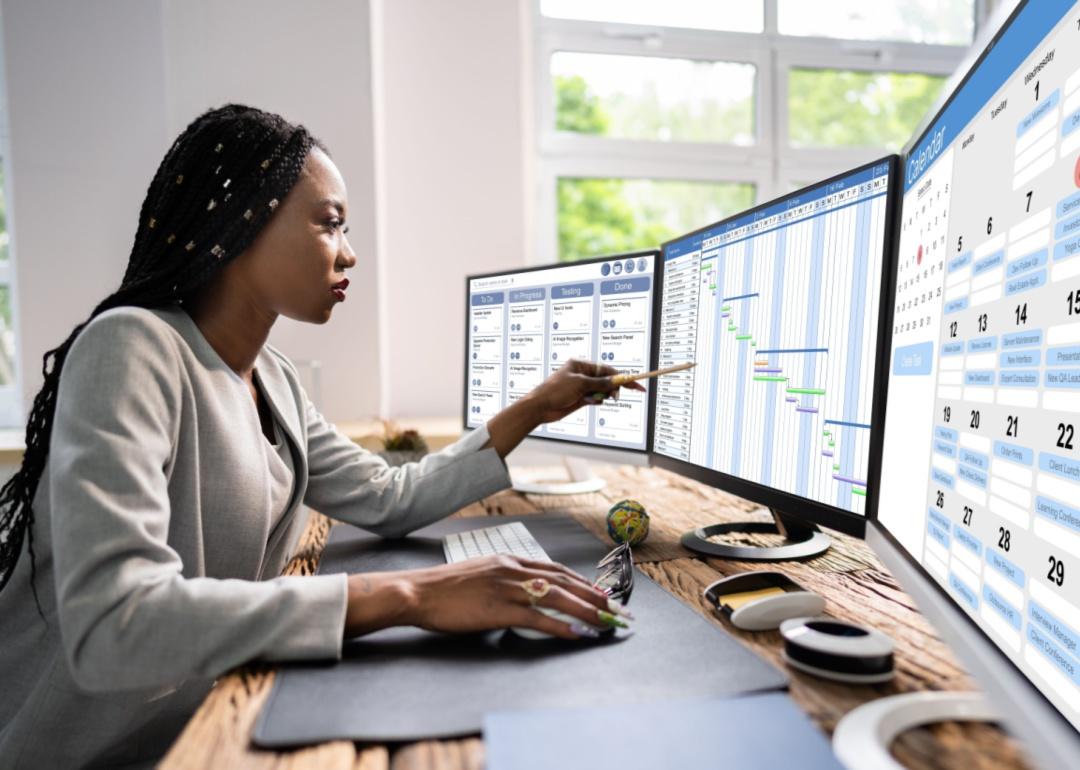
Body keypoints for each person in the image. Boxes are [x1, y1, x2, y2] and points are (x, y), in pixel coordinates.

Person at [0, 104, 643, 768]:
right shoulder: (132, 347)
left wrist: (535, 407)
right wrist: (410, 595)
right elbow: (115, 625)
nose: (350, 252)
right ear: (241, 224)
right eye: (330, 223)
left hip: (198, 720)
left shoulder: (272, 377)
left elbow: (390, 497)